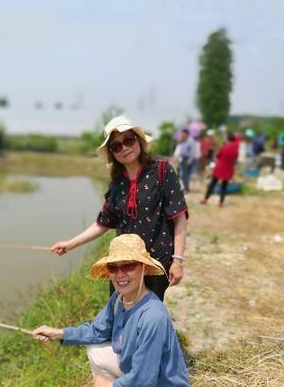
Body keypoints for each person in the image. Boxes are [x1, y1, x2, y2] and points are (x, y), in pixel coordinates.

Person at [52, 116, 188, 302]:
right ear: (112, 153)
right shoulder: (117, 184)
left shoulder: (162, 171)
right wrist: (70, 244)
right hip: (122, 264)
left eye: (129, 140)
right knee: (119, 311)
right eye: (116, 146)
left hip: (156, 261)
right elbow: (103, 223)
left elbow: (179, 217)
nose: (124, 147)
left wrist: (178, 261)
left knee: (147, 315)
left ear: (139, 141)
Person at [34, 234, 190, 387]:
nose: (120, 274)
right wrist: (57, 333)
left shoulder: (153, 316)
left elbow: (145, 379)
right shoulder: (118, 298)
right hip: (138, 372)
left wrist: (109, 385)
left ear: (144, 268)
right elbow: (97, 331)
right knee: (96, 351)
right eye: (113, 267)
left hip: (160, 382)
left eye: (128, 265)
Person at [200, 133, 239, 207]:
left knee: (212, 184)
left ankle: (205, 199)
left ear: (228, 139)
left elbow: (217, 156)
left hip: (220, 168)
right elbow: (235, 160)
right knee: (224, 186)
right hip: (228, 168)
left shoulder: (224, 147)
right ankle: (221, 202)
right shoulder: (236, 150)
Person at [172, 129, 197, 193]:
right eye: (181, 134)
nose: (182, 135)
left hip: (187, 159)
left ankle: (186, 188)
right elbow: (179, 150)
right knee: (182, 174)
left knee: (184, 175)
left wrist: (190, 161)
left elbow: (193, 152)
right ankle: (185, 188)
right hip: (181, 159)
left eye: (183, 134)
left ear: (187, 134)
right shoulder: (182, 141)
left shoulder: (191, 141)